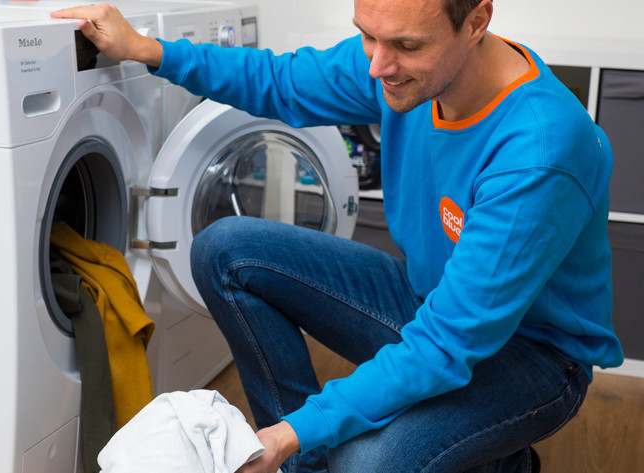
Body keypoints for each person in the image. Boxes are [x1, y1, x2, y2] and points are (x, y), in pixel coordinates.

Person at [51, 1, 624, 472]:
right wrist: (148, 50)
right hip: (430, 301)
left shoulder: (539, 151)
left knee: (364, 463)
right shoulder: (395, 60)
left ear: (477, 21)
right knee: (225, 249)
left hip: (534, 356)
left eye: (406, 46)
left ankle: (494, 458)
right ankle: (306, 463)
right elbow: (279, 82)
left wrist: (290, 433)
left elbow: (448, 343)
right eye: (367, 36)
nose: (378, 66)